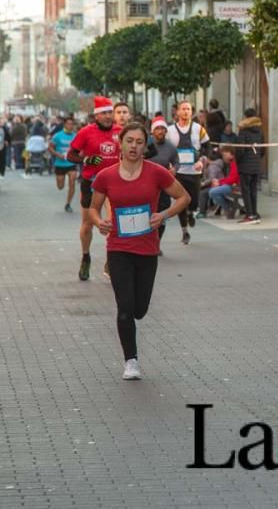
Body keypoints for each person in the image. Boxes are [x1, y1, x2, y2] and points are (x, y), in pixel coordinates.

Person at [89, 122, 190, 380]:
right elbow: (93, 208)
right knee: (124, 307)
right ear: (120, 143)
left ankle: (135, 318)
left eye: (138, 142)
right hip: (118, 248)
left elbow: (184, 197)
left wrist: (163, 215)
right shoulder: (106, 176)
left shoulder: (156, 173)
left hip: (147, 249)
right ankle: (130, 361)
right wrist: (100, 222)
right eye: (129, 141)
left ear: (145, 146)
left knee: (139, 309)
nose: (134, 146)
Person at [67, 96, 122, 281]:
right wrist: (85, 160)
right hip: (91, 182)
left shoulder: (120, 131)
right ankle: (85, 256)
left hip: (114, 183)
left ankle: (111, 261)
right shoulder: (86, 132)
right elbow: (70, 155)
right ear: (96, 116)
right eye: (104, 113)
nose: (108, 116)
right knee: (88, 223)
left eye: (110, 112)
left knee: (113, 222)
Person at [168, 100, 208, 244]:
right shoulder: (170, 130)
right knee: (181, 202)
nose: (186, 112)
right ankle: (185, 231)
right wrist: (169, 165)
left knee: (194, 201)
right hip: (178, 172)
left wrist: (201, 160)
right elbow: (167, 149)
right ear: (177, 112)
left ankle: (192, 212)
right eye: (183, 109)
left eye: (189, 109)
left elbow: (206, 146)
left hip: (194, 171)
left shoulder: (199, 129)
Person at [144, 117, 179, 251]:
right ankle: (149, 242)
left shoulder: (170, 146)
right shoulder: (146, 143)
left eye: (163, 128)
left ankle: (157, 243)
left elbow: (176, 161)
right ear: (152, 131)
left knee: (162, 215)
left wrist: (175, 169)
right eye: (157, 128)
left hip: (163, 185)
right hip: (147, 184)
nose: (160, 131)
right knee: (149, 214)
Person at [235, 108, 264, 224]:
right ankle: (255, 213)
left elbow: (240, 149)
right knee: (253, 190)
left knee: (245, 191)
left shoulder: (243, 131)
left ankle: (249, 214)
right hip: (256, 166)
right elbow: (262, 150)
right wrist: (257, 159)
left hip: (245, 166)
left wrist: (238, 161)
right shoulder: (260, 131)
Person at [49, 116, 79, 212]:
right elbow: (50, 147)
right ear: (64, 125)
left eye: (72, 124)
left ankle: (68, 204)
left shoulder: (75, 136)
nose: (70, 126)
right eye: (68, 124)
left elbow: (80, 148)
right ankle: (61, 183)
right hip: (60, 164)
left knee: (72, 182)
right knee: (60, 187)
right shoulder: (57, 136)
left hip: (71, 163)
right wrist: (57, 154)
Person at [206, 145, 239, 217]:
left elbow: (232, 179)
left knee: (212, 192)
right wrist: (219, 181)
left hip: (235, 186)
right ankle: (231, 206)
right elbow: (230, 178)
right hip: (233, 184)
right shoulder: (231, 163)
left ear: (230, 153)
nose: (223, 157)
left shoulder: (234, 163)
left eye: (224, 155)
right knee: (213, 191)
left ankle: (228, 208)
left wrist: (219, 182)